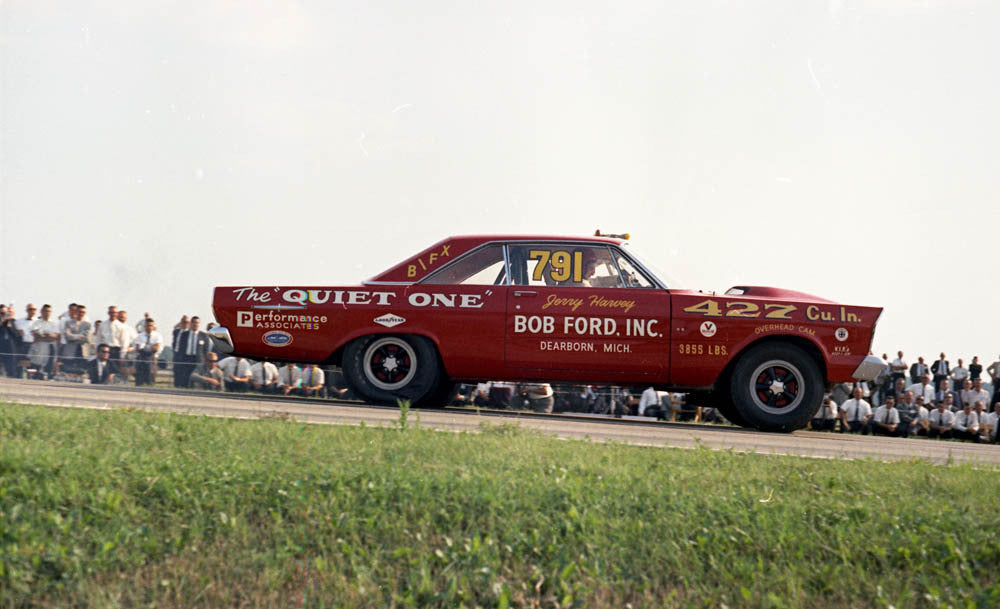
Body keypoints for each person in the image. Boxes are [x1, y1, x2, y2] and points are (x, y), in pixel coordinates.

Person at [173, 316, 210, 388]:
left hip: (198, 360)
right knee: (185, 378)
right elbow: (181, 349)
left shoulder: (204, 335)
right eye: (194, 323)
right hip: (186, 359)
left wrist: (205, 361)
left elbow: (206, 350)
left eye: (197, 323)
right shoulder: (184, 334)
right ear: (191, 323)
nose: (195, 324)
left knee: (196, 379)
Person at [29, 305, 61, 378]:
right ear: (41, 312)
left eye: (49, 311)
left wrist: (42, 336)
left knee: (48, 368)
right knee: (36, 367)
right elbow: (35, 334)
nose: (47, 313)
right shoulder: (36, 322)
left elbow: (55, 336)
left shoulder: (54, 323)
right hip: (38, 348)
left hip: (50, 348)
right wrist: (48, 335)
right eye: (45, 311)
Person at [131, 318, 163, 386]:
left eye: (151, 325)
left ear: (153, 326)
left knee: (150, 381)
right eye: (148, 325)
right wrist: (150, 346)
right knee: (139, 381)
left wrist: (144, 346)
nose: (149, 327)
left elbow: (156, 349)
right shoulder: (139, 336)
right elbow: (137, 348)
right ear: (145, 326)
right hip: (141, 359)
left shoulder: (157, 336)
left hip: (152, 359)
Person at [60, 305, 91, 373]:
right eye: (79, 312)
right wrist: (80, 336)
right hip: (70, 353)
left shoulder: (87, 325)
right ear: (76, 312)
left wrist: (74, 337)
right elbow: (68, 336)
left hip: (82, 353)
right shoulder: (69, 323)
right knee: (68, 372)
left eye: (83, 312)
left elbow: (86, 338)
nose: (81, 314)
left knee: (81, 372)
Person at [0, 305, 22, 377]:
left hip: (10, 352)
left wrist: (9, 327)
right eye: (1, 313)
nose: (3, 315)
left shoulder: (12, 323)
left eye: (5, 313)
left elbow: (17, 337)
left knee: (11, 373)